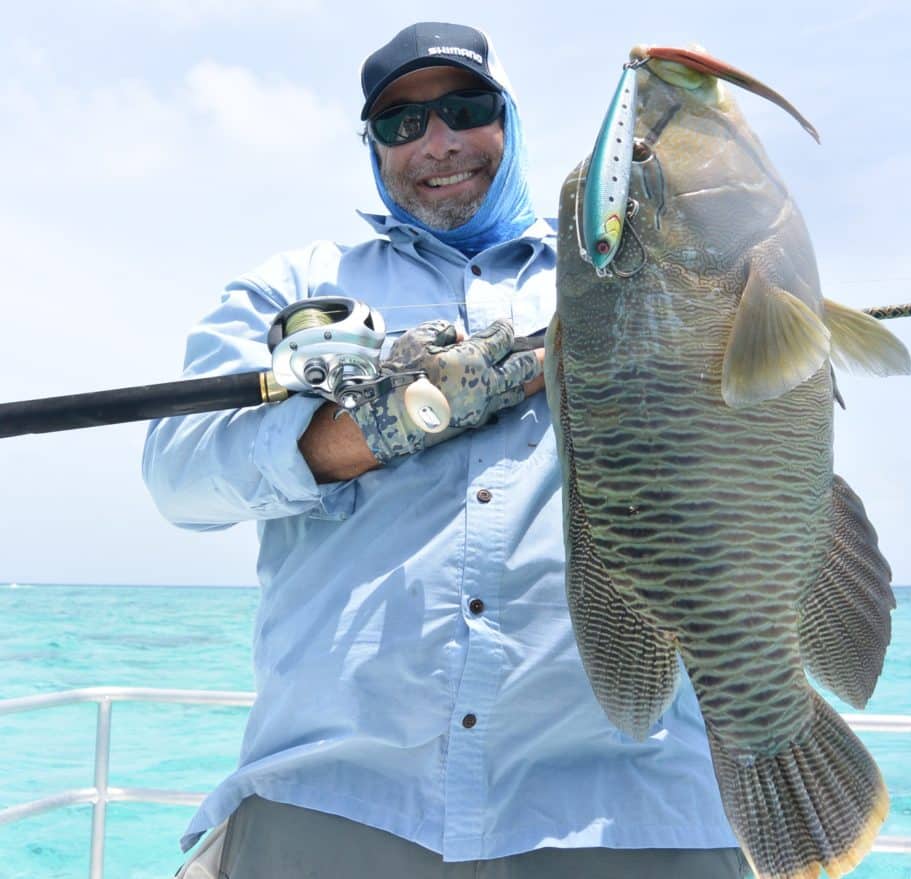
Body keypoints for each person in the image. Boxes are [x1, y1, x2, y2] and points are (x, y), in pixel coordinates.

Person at [143, 21, 745, 879]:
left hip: (630, 800)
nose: (438, 142)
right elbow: (180, 474)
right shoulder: (295, 284)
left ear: (510, 120)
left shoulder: (628, 264)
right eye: (401, 124)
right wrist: (386, 424)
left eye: (465, 110)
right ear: (373, 146)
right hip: (338, 794)